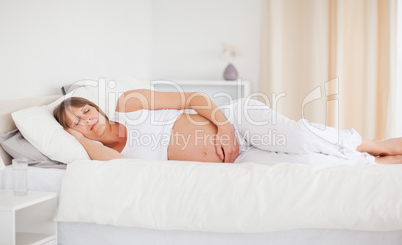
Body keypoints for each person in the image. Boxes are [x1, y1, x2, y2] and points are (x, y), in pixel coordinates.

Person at [53, 89, 402, 165]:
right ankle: (374, 162)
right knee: (306, 165)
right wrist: (71, 136)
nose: (87, 120)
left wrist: (224, 128)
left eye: (85, 111)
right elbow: (98, 156)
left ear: (95, 106)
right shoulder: (106, 156)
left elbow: (192, 97)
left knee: (298, 137)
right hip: (232, 162)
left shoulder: (128, 104)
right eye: (77, 124)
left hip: (236, 121)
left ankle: (372, 144)